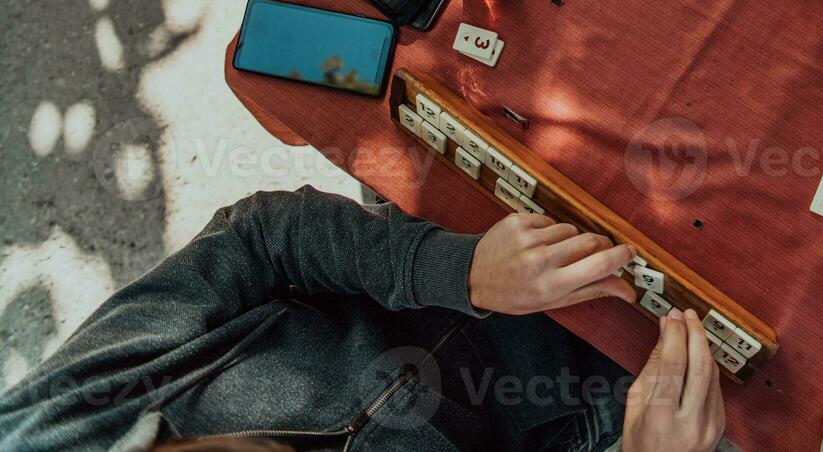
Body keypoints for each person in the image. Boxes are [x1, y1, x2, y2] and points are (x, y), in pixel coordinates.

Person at [0, 186, 727, 451]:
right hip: (603, 416)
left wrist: (458, 269)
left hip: (462, 231)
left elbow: (260, 237)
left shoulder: (51, 428)